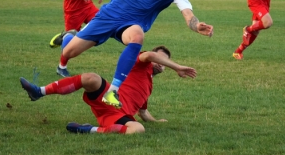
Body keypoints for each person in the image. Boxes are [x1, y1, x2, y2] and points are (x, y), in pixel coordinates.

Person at [53, 0, 213, 108]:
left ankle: (112, 91)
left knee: (137, 36)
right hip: (108, 16)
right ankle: (68, 37)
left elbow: (187, 13)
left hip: (130, 25)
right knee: (69, 52)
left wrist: (196, 25)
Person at [20, 45, 196, 134]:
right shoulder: (140, 63)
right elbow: (149, 55)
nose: (159, 63)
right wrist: (177, 67)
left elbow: (143, 113)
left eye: (163, 62)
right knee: (91, 77)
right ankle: (39, 91)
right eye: (159, 59)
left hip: (116, 115)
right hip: (109, 96)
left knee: (138, 129)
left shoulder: (148, 86)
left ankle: (88, 130)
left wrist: (157, 121)